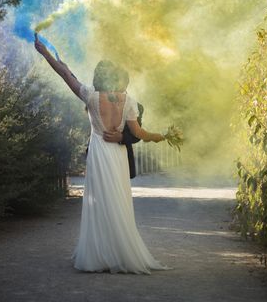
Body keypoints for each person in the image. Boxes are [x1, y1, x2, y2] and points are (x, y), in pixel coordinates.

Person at [34, 34, 170, 274]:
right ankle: (121, 252)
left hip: (98, 155)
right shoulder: (129, 100)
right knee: (118, 201)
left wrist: (45, 53)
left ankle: (99, 255)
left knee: (99, 203)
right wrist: (162, 136)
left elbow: (66, 74)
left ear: (99, 77)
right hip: (117, 157)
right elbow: (139, 132)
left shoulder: (91, 96)